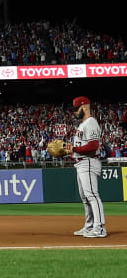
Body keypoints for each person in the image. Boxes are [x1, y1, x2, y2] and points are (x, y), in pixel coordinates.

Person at [70, 96, 105, 238]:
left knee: (92, 195)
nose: (74, 112)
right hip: (81, 162)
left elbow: (93, 146)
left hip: (89, 161)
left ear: (84, 107)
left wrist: (73, 149)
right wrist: (71, 149)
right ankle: (90, 226)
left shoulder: (90, 122)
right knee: (85, 197)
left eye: (76, 109)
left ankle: (100, 228)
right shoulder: (83, 124)